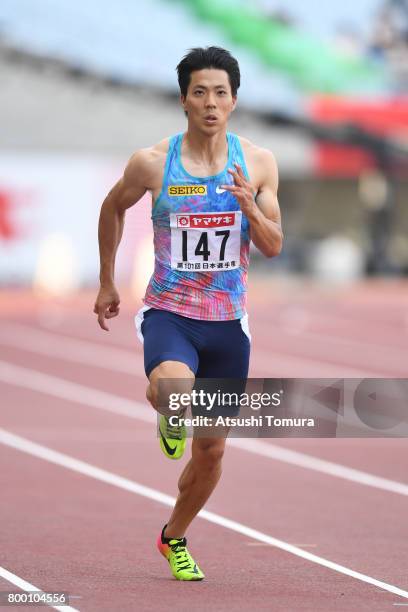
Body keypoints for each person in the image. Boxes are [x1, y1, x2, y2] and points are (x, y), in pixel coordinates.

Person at [94, 46, 282, 581]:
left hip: (229, 323)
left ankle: (173, 536)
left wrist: (250, 209)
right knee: (174, 392)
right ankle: (169, 409)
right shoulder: (154, 162)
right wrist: (108, 278)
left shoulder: (260, 164)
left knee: (213, 453)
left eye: (220, 93)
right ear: (183, 100)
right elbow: (112, 206)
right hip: (170, 313)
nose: (210, 102)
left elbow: (273, 244)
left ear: (234, 101)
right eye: (200, 92)